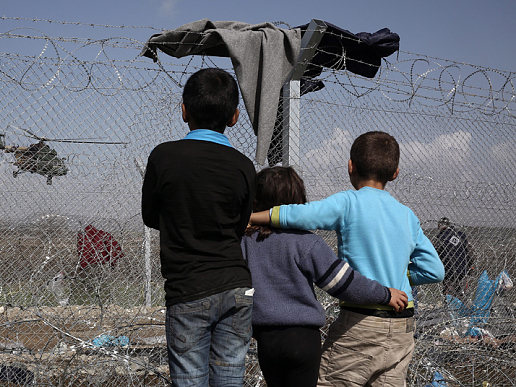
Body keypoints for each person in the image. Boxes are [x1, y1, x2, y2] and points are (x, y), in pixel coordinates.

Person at [250, 131, 445, 386]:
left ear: (350, 167)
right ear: (395, 173)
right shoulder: (407, 215)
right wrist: (399, 272)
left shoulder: (348, 202)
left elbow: (303, 216)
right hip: (402, 328)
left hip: (362, 323)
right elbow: (435, 270)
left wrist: (255, 217)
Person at [242, 166, 409, 387]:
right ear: (297, 201)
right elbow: (344, 284)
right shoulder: (306, 243)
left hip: (265, 338)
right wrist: (384, 293)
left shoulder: (245, 243)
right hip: (302, 338)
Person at [141, 68, 256, 387]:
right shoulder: (244, 166)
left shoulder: (163, 157)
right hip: (237, 286)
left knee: (190, 379)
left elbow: (151, 216)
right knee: (230, 377)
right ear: (234, 117)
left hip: (189, 287)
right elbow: (239, 224)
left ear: (183, 111)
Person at [436, 217, 470, 297]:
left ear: (440, 225)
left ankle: (449, 308)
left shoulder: (441, 237)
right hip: (463, 269)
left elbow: (435, 253)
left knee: (449, 295)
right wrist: (469, 265)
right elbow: (469, 251)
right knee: (462, 294)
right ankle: (462, 307)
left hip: (449, 270)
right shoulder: (461, 235)